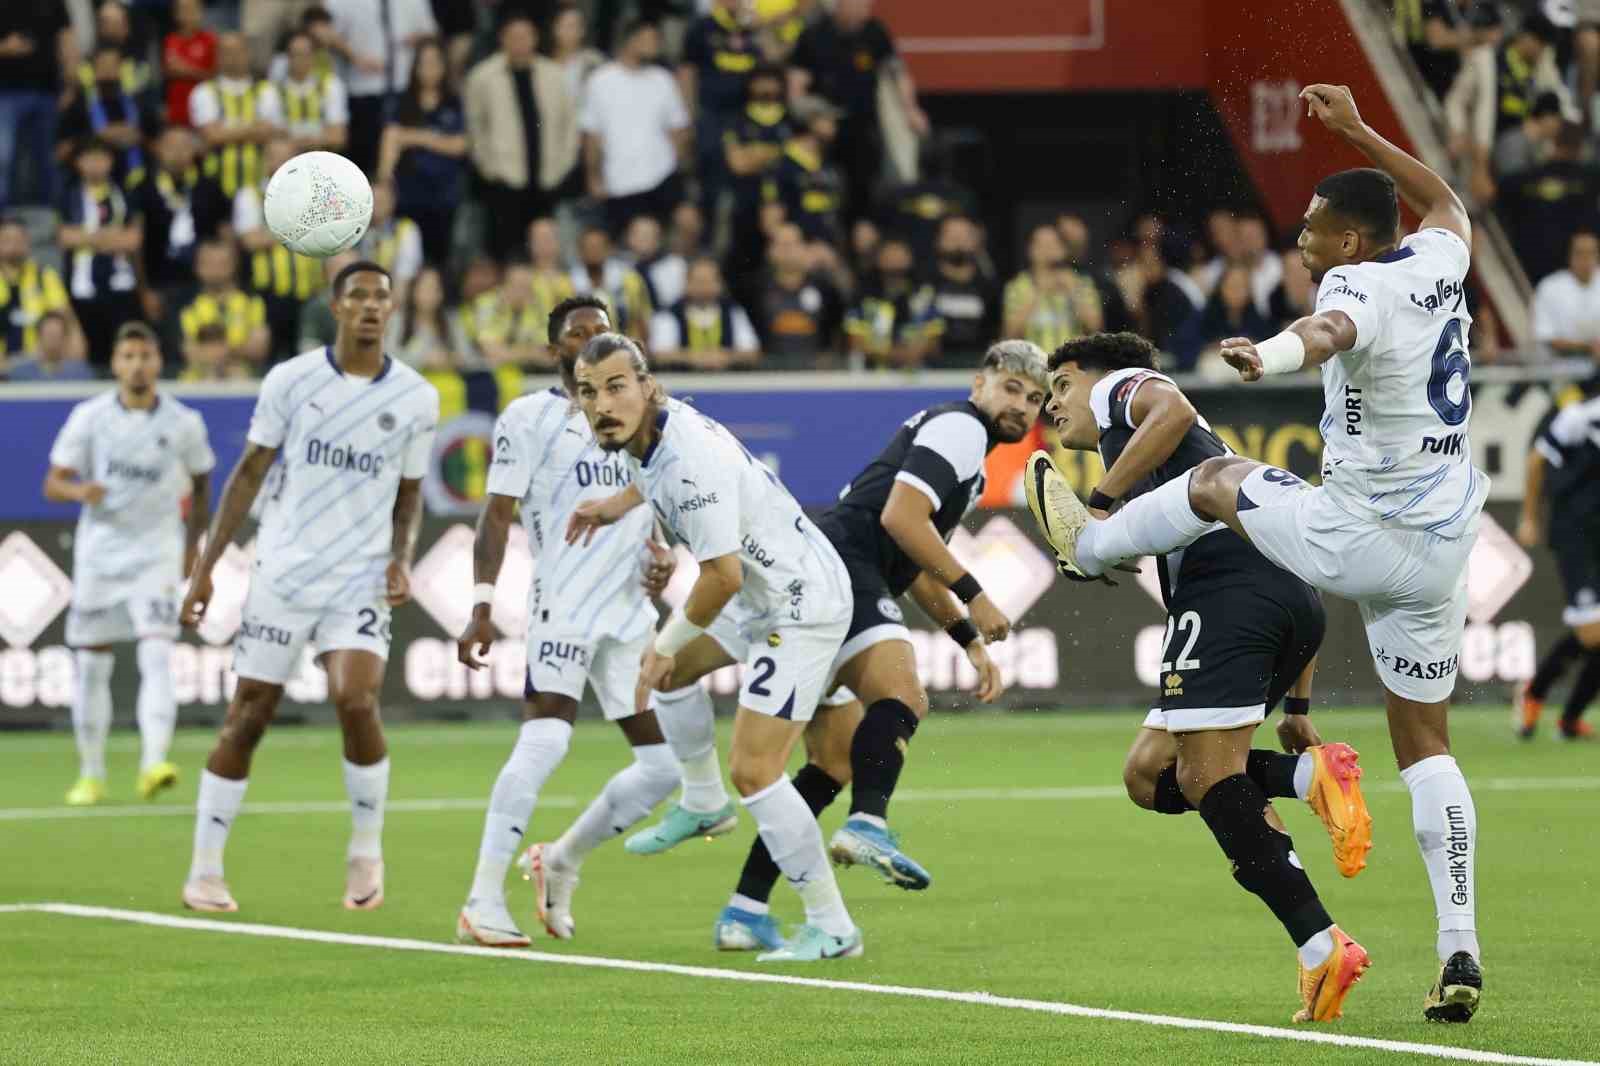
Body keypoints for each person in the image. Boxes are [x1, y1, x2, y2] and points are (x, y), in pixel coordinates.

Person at [1029, 85, 1488, 1023]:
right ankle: (1460, 951)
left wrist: (1269, 356)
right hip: (1443, 545)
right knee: (1426, 748)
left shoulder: (1351, 285)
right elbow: (1449, 203)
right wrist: (1358, 133)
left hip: (1358, 538)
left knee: (1212, 484)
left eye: (1317, 227)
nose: (1305, 236)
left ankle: (1092, 538)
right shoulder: (1439, 258)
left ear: (1352, 244)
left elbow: (1329, 332)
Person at [1039, 329, 1373, 1022]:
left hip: (1228, 594)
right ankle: (1310, 779)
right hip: (1287, 596)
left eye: (1057, 388)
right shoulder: (1201, 465)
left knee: (1206, 780)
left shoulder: (1118, 391)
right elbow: (1292, 553)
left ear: (1089, 374)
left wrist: (1100, 504)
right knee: (1148, 774)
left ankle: (1320, 947)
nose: (1053, 407)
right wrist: (1299, 702)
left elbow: (1171, 407)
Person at [701, 342, 1040, 949]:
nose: (1023, 405)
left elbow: (913, 555)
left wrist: (965, 636)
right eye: (1012, 388)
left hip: (828, 573)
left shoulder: (967, 450)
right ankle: (869, 822)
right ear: (979, 382)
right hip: (843, 569)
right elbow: (901, 521)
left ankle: (745, 910)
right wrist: (977, 594)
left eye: (1036, 398)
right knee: (903, 695)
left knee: (830, 763)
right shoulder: (962, 426)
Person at [565, 333, 862, 962]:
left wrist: (666, 644)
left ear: (647, 386)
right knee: (670, 684)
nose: (602, 405)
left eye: (616, 387)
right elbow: (654, 483)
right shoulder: (646, 436)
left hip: (798, 603)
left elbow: (720, 575)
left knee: (755, 769)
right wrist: (613, 507)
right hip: (758, 594)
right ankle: (702, 803)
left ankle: (832, 926)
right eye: (587, 392)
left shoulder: (688, 456)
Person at [454, 295, 731, 947]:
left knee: (661, 769)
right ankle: (482, 900)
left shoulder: (635, 415)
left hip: (628, 613)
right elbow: (496, 514)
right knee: (546, 741)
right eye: (578, 336)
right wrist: (482, 603)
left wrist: (663, 551)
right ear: (556, 351)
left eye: (602, 335)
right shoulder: (529, 418)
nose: (590, 344)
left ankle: (562, 860)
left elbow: (656, 495)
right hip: (564, 609)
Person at [178, 260, 440, 914]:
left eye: (382, 296)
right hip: (284, 575)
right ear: (336, 306)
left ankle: (365, 848)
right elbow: (246, 474)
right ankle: (205, 869)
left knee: (355, 700)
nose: (373, 307)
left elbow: (409, 495)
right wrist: (207, 566)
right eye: (359, 296)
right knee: (249, 717)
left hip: (359, 577)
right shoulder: (291, 381)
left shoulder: (416, 397)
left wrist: (401, 557)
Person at [44, 322, 213, 806]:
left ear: (159, 361)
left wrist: (191, 550)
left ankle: (153, 763)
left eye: (146, 355)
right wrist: (80, 491)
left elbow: (202, 487)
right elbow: (53, 482)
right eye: (128, 357)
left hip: (157, 552)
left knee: (157, 654)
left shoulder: (184, 423)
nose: (138, 365)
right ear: (116, 364)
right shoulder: (90, 417)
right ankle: (91, 774)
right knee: (92, 666)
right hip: (100, 555)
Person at [789, 0, 928, 225]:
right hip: (823, 127)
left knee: (866, 186)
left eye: (865, 5)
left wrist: (911, 110)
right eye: (855, 4)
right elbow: (796, 87)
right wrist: (813, 117)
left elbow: (897, 73)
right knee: (823, 190)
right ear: (839, 6)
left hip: (863, 124)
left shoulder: (874, 30)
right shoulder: (814, 34)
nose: (862, 10)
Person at [1514, 390, 1600, 740]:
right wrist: (1530, 517)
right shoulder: (1583, 416)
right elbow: (1537, 459)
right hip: (1576, 534)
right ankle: (1535, 691)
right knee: (1593, 633)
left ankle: (1569, 720)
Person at [463, 9, 577, 262]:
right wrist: (490, 168)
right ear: (502, 39)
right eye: (514, 36)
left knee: (548, 251)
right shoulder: (483, 77)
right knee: (505, 252)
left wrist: (563, 164)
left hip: (549, 179)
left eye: (526, 35)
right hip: (504, 181)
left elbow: (569, 124)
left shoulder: (555, 75)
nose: (520, 41)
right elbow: (475, 128)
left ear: (536, 38)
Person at [581, 18, 691, 235]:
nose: (655, 45)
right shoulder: (601, 80)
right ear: (631, 40)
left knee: (684, 226)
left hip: (662, 177)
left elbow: (679, 129)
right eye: (649, 39)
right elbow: (592, 135)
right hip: (619, 181)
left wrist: (675, 165)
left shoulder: (663, 79)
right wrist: (593, 177)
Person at [378, 35, 467, 267]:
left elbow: (460, 145)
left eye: (435, 62)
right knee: (405, 257)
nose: (430, 69)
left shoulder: (454, 103)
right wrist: (384, 181)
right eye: (424, 63)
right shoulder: (401, 102)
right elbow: (391, 139)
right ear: (415, 67)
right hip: (407, 195)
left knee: (439, 261)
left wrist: (415, 136)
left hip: (444, 197)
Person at [235, 137, 326, 360]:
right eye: (277, 158)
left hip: (310, 293)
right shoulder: (251, 195)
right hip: (268, 294)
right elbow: (251, 239)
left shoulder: (316, 194)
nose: (284, 164)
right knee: (270, 358)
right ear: (266, 161)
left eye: (289, 158)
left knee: (308, 358)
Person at [58, 136, 143, 371]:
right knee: (91, 353)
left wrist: (87, 237)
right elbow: (65, 237)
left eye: (101, 157)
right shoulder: (69, 195)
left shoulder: (125, 193)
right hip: (82, 288)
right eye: (89, 158)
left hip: (121, 287)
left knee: (122, 348)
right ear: (78, 163)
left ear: (111, 161)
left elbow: (133, 240)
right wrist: (111, 237)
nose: (96, 163)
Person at [323, 0, 438, 174]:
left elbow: (430, 31)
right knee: (362, 162)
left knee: (400, 161)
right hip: (361, 90)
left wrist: (418, 38)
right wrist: (354, 57)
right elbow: (325, 33)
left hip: (404, 86)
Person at [132, 124, 228, 323]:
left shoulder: (209, 187)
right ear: (158, 148)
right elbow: (136, 245)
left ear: (194, 149)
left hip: (205, 286)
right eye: (171, 146)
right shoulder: (143, 188)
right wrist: (144, 290)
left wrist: (229, 284)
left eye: (184, 146)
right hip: (159, 284)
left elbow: (225, 237)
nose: (178, 152)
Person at [679, 0, 763, 216]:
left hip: (744, 117)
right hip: (710, 113)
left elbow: (771, 64)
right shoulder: (702, 27)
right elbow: (687, 71)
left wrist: (759, 26)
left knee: (745, 182)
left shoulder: (752, 30)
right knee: (709, 179)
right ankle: (707, 236)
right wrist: (689, 115)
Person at [190, 33, 283, 202]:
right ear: (218, 56)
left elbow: (269, 133)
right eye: (226, 51)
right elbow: (211, 136)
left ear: (248, 54)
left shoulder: (267, 90)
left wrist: (226, 130)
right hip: (216, 186)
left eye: (238, 51)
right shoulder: (204, 91)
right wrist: (252, 127)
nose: (233, 57)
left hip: (260, 185)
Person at [0, 0, 72, 209]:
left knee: (48, 159)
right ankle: (4, 220)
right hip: (5, 92)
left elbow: (66, 38)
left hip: (47, 92)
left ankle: (51, 215)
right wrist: (5, 47)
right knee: (4, 157)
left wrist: (70, 82)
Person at [56, 43, 157, 189]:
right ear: (92, 69)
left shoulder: (139, 103)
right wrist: (98, 137)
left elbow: (159, 146)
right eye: (103, 65)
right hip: (90, 185)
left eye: (113, 65)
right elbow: (61, 151)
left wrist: (138, 138)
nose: (108, 71)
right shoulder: (79, 104)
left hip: (137, 182)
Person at [723, 62, 790, 278]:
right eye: (760, 81)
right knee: (744, 266)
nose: (766, 87)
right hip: (746, 202)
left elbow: (799, 156)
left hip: (787, 202)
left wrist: (754, 152)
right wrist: (776, 152)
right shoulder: (737, 119)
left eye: (772, 81)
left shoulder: (793, 117)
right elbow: (738, 164)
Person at [750, 222, 842, 369]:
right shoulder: (756, 290)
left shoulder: (825, 288)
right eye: (781, 244)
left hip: (816, 375)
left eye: (792, 244)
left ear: (805, 248)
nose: (787, 249)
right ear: (770, 250)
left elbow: (838, 326)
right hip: (769, 375)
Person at [844, 234, 942, 369]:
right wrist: (892, 354)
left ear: (910, 257)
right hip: (872, 378)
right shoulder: (862, 297)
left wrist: (913, 353)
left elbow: (934, 341)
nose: (895, 258)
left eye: (900, 253)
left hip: (918, 377)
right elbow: (855, 342)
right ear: (878, 258)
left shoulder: (924, 295)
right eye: (890, 253)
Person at [1003, 223, 1102, 355]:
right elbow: (1010, 333)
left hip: (1071, 366)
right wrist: (1038, 292)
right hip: (1033, 366)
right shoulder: (1017, 286)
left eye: (1054, 243)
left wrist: (1073, 293)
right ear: (1030, 250)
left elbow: (1095, 327)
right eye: (1042, 244)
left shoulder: (1081, 283)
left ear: (1063, 249)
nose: (1048, 249)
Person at [649, 256, 761, 370]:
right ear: (687, 283)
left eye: (709, 281)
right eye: (698, 281)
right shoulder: (668, 314)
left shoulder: (733, 312)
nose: (703, 287)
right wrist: (693, 358)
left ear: (720, 284)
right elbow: (659, 355)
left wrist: (727, 357)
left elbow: (752, 353)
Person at [175, 238, 271, 371]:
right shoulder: (188, 305)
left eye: (221, 263)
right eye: (209, 263)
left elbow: (259, 349)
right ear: (197, 267)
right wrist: (237, 350)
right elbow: (189, 352)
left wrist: (219, 352)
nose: (215, 269)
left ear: (234, 265)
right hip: (200, 383)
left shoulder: (252, 301)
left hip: (244, 383)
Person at [765, 95, 843, 247]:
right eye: (827, 118)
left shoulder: (826, 164)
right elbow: (771, 223)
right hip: (800, 255)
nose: (834, 123)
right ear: (811, 122)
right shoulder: (782, 165)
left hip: (828, 251)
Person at [0, 216, 82, 361]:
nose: (13, 244)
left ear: (28, 243)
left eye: (19, 239)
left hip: (37, 366)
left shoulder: (45, 277)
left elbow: (70, 325)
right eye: (7, 239)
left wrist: (73, 365)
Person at [926, 213, 999, 365]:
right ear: (938, 241)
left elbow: (999, 335)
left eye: (964, 236)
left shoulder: (990, 287)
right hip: (931, 374)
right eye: (951, 236)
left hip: (979, 370)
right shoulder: (924, 283)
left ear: (976, 241)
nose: (958, 241)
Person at [464, 258, 553, 371]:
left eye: (527, 287)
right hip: (488, 375)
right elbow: (491, 351)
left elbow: (547, 351)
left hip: (530, 374)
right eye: (518, 286)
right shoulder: (486, 305)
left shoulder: (537, 305)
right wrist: (529, 353)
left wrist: (512, 353)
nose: (523, 293)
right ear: (504, 285)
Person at [569, 225, 653, 342]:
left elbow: (641, 320)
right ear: (580, 252)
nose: (594, 252)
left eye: (598, 247)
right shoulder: (567, 285)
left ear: (609, 249)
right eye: (589, 247)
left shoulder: (630, 281)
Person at [273, 27, 348, 153]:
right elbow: (270, 135)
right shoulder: (273, 90)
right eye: (295, 55)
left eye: (305, 54)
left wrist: (299, 141)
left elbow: (338, 137)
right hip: (286, 160)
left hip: (321, 157)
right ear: (287, 57)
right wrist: (317, 138)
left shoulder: (331, 85)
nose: (300, 60)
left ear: (314, 56)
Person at [1532, 230, 1600, 360]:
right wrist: (1588, 347)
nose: (1585, 259)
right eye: (1580, 253)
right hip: (1561, 366)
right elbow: (1546, 337)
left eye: (1591, 253)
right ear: (1570, 256)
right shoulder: (1550, 287)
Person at [355, 177, 422, 303]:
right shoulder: (354, 231)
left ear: (393, 202)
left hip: (392, 303)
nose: (376, 206)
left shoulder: (406, 230)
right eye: (372, 200)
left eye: (381, 201)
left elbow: (404, 282)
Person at [384, 265, 464, 370]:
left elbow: (466, 356)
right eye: (425, 288)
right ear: (413, 290)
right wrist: (423, 360)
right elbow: (388, 356)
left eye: (435, 288)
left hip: (447, 382)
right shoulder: (398, 320)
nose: (430, 294)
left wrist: (450, 358)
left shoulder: (451, 319)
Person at [162, 0, 216, 128]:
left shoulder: (210, 40)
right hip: (176, 111)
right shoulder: (169, 40)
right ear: (176, 14)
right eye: (184, 10)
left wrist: (185, 70)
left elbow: (214, 76)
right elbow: (165, 72)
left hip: (203, 111)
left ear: (201, 12)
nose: (188, 14)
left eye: (192, 10)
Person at [1491, 90, 1562, 180]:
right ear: (1547, 117)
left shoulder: (1537, 144)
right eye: (1558, 119)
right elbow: (1513, 184)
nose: (1559, 126)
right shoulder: (1513, 143)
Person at [6, 310, 94, 381]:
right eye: (49, 334)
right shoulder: (21, 372)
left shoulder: (79, 372)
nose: (53, 340)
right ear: (39, 336)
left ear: (65, 338)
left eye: (57, 335)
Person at [548, 2, 604, 103]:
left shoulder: (594, 61)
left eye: (573, 26)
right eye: (564, 26)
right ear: (555, 29)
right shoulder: (545, 63)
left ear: (582, 30)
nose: (569, 31)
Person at [179, 319, 253, 380]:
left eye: (219, 344)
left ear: (226, 346)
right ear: (199, 348)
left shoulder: (240, 376)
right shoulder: (188, 379)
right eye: (209, 344)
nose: (215, 351)